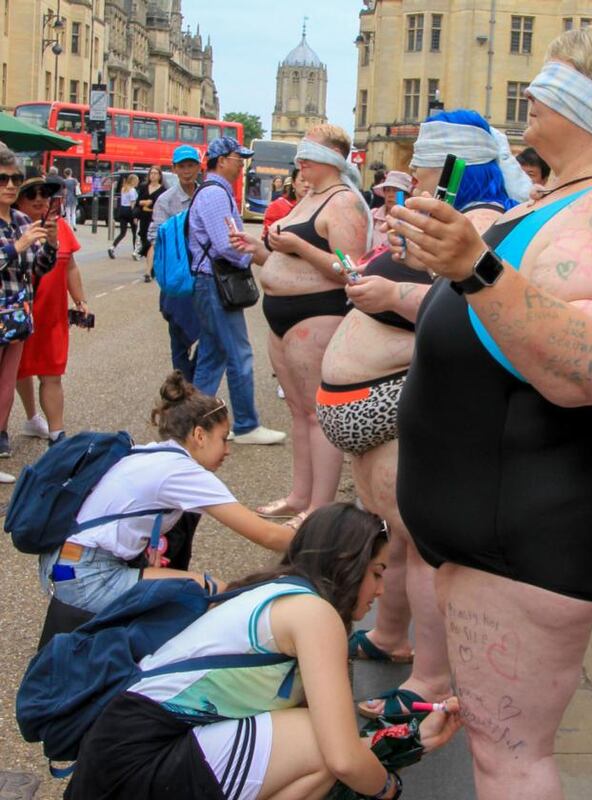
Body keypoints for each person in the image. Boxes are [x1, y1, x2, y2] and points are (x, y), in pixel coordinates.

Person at [388, 26, 592, 799]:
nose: (529, 93)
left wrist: (474, 266)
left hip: (531, 529)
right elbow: (500, 314)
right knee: (501, 751)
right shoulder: (568, 198)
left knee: (512, 760)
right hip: (498, 527)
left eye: (549, 79)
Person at [329, 109, 528, 721]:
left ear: (455, 167)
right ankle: (391, 638)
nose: (410, 170)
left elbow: (477, 312)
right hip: (375, 406)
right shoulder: (449, 218)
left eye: (422, 160)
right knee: (395, 537)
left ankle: (430, 678)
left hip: (406, 399)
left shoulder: (485, 225)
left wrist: (391, 293)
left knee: (414, 541)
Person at [64, 503, 461, 800]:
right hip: (137, 762)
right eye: (376, 573)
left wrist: (411, 738)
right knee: (319, 746)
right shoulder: (313, 614)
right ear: (347, 564)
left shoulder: (279, 592)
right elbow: (341, 756)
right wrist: (388, 789)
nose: (380, 591)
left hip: (123, 753)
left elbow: (340, 749)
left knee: (320, 745)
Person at [38, 371, 295, 616]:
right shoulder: (183, 472)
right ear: (199, 435)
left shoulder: (151, 452)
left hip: (63, 564)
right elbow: (267, 534)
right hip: (87, 576)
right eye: (223, 438)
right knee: (211, 591)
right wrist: (325, 539)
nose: (227, 450)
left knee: (180, 584)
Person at [236, 124, 369, 527]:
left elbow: (352, 270)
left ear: (329, 157)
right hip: (282, 315)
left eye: (307, 155)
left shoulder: (343, 202)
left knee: (317, 412)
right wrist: (259, 252)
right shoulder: (308, 198)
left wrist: (299, 246)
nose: (300, 163)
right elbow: (287, 258)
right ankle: (300, 495)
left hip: (317, 313)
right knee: (297, 410)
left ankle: (320, 507)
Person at [189, 136, 286, 446]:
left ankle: (194, 422)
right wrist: (252, 258)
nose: (241, 163)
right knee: (239, 354)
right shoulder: (216, 194)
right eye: (237, 157)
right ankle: (245, 424)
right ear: (221, 161)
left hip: (207, 282)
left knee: (212, 355)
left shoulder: (213, 191)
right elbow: (226, 244)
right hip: (217, 282)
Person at [14, 177, 89, 448]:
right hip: (19, 314)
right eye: (31, 194)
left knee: (51, 373)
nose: (39, 199)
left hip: (52, 317)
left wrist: (79, 299)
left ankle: (57, 434)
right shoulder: (13, 229)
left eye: (44, 194)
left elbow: (70, 266)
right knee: (19, 371)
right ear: (18, 200)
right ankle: (32, 418)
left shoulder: (62, 228)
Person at [0, 145, 58, 472]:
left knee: (6, 386)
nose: (10, 186)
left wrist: (50, 245)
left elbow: (37, 267)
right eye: (3, 179)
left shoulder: (22, 219)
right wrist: (16, 246)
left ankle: (1, 435)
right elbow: (14, 254)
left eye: (15, 179)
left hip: (17, 316)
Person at [148, 146, 204, 382]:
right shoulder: (166, 200)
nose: (187, 171)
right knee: (178, 336)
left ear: (199, 167)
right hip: (177, 275)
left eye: (191, 165)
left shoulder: (206, 194)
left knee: (209, 333)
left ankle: (194, 382)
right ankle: (184, 386)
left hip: (202, 273)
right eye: (182, 166)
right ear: (174, 169)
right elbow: (154, 234)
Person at [260, 167, 309, 239]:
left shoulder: (322, 207)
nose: (307, 185)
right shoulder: (278, 206)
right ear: (293, 183)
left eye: (311, 181)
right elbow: (268, 236)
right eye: (302, 180)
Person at [370, 170, 413, 249]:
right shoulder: (373, 215)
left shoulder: (412, 220)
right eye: (387, 190)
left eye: (396, 191)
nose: (390, 195)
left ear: (406, 196)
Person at [137, 165, 167, 277]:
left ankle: (148, 271)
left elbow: (161, 205)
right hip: (144, 218)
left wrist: (150, 204)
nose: (153, 175)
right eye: (151, 173)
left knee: (151, 244)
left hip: (155, 219)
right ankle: (152, 265)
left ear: (160, 176)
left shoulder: (163, 190)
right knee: (145, 241)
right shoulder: (144, 187)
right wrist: (146, 202)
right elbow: (138, 202)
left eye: (155, 173)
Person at [108, 173, 139, 260]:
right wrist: (135, 216)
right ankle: (135, 252)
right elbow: (133, 203)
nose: (137, 183)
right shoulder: (132, 190)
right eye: (137, 181)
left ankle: (112, 248)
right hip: (129, 211)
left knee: (122, 233)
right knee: (134, 232)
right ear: (133, 181)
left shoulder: (123, 188)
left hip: (122, 210)